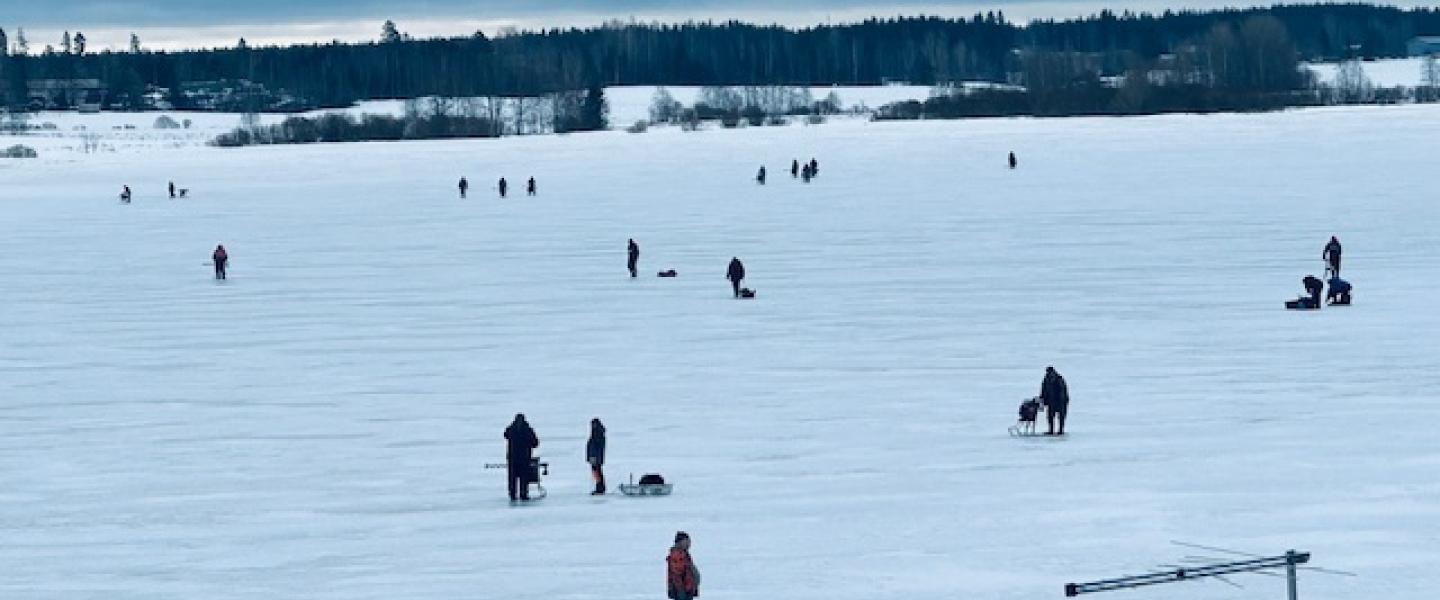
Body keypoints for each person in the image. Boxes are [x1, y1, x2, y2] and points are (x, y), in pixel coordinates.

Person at [504, 413, 539, 501]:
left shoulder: (511, 430)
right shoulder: (528, 430)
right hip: (524, 458)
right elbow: (535, 443)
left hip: (513, 458)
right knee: (524, 477)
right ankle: (523, 493)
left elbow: (505, 434)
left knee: (512, 477)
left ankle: (513, 494)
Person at [667, 532, 701, 600]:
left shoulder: (684, 554)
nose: (689, 544)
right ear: (679, 542)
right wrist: (681, 591)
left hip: (687, 589)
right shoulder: (677, 555)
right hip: (683, 591)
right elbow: (676, 575)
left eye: (689, 541)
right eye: (686, 541)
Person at [1040, 366, 1069, 435]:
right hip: (1051, 401)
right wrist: (1043, 399)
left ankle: (1061, 431)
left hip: (1060, 401)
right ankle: (1051, 430)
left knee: (1061, 416)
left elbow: (1062, 391)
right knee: (1050, 416)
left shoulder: (1059, 379)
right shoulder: (1046, 379)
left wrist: (1061, 401)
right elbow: (1043, 390)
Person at [587, 418, 606, 495]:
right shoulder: (597, 433)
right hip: (594, 456)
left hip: (595, 457)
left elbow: (595, 447)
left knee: (596, 471)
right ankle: (599, 487)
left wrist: (593, 457)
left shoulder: (597, 434)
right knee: (597, 471)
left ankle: (600, 487)